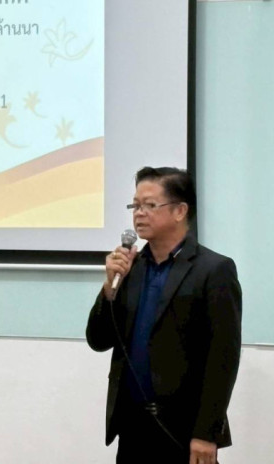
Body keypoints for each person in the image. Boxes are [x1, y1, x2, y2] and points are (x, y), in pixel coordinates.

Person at [86, 167, 242, 464]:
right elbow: (98, 339)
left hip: (184, 428)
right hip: (132, 425)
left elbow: (223, 357)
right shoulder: (130, 267)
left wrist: (207, 433)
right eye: (135, 205)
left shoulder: (213, 270)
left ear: (180, 211)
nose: (139, 214)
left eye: (149, 205)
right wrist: (109, 288)